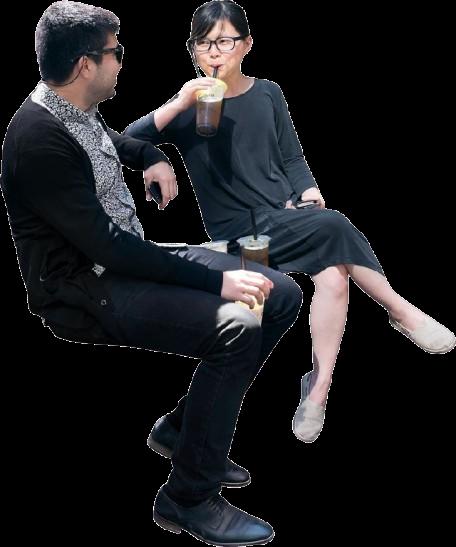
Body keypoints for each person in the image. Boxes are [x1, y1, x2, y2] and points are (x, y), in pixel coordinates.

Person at [0, 2, 303, 545]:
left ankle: (185, 430)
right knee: (238, 324)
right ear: (85, 64)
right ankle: (188, 497)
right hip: (84, 287)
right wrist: (218, 281)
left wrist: (149, 155)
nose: (122, 62)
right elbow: (109, 249)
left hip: (125, 257)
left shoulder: (72, 106)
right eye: (115, 52)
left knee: (278, 293)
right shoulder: (37, 138)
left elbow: (107, 143)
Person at [124, 0, 455, 444]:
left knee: (332, 279)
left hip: (285, 217)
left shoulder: (268, 93)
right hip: (240, 236)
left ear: (247, 44)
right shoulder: (190, 104)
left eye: (224, 41)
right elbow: (125, 141)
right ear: (193, 51)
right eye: (203, 44)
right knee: (319, 245)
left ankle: (317, 388)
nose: (214, 52)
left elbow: (292, 157)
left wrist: (308, 189)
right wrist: (163, 140)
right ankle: (398, 309)